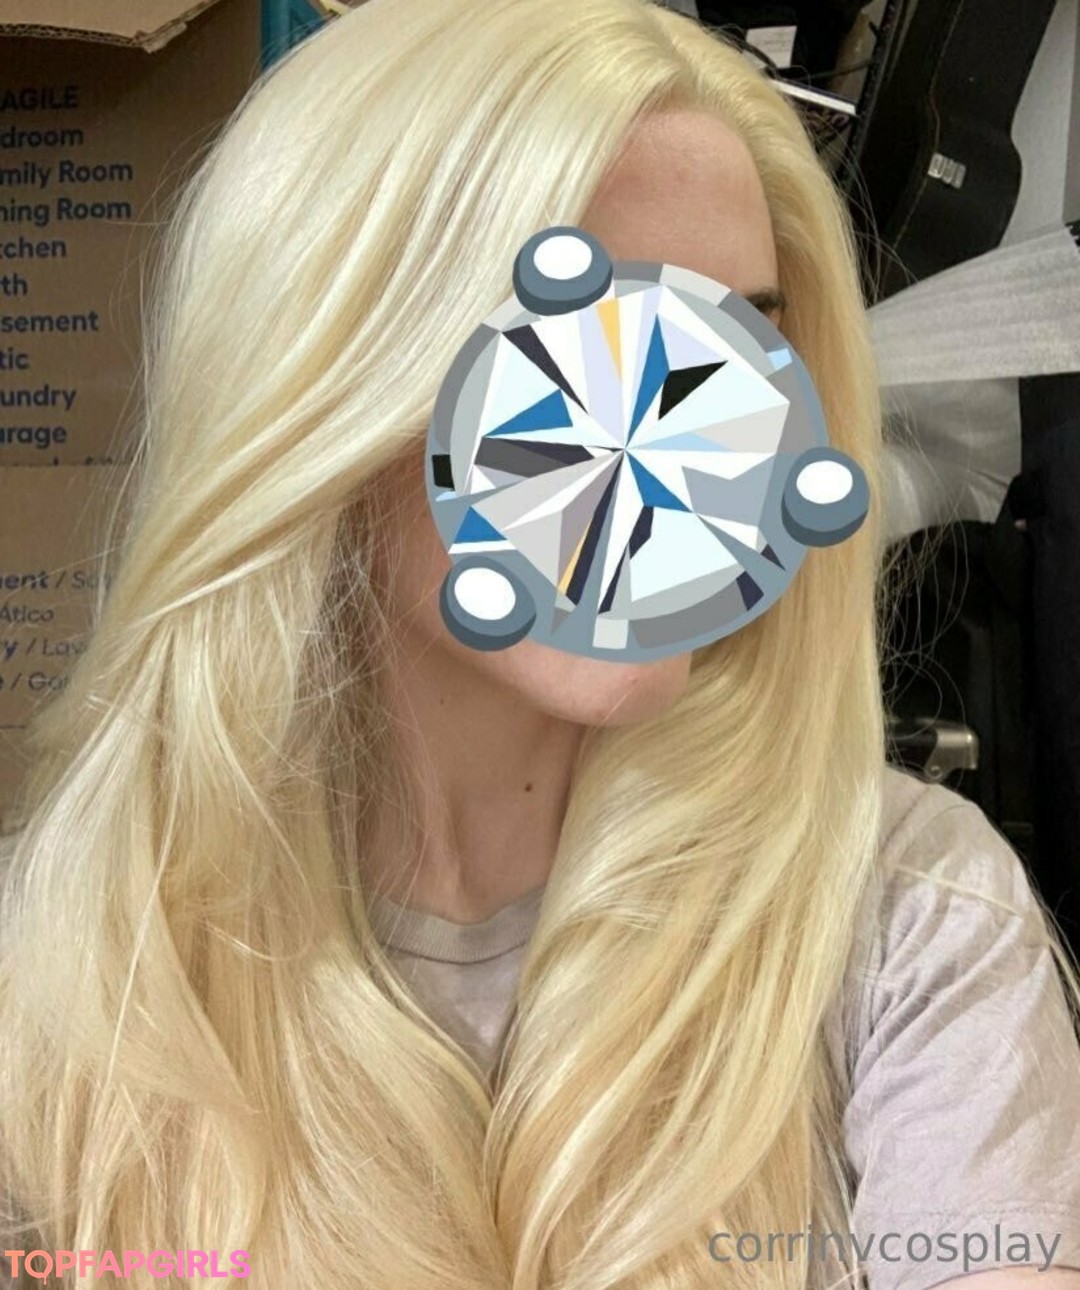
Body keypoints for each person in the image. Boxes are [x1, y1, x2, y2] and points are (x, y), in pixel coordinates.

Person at [1, 0, 1079, 1287]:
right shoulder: (62, 984)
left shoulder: (909, 915)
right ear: (322, 387)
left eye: (738, 342)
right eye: (580, 347)